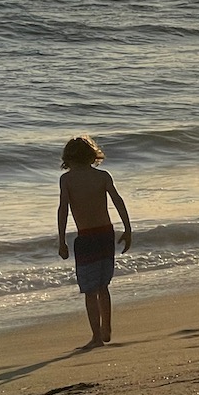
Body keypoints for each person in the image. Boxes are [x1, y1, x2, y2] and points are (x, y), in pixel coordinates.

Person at [56, 135, 132, 348]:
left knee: (90, 290)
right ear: (92, 156)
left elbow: (63, 210)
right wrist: (127, 229)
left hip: (87, 237)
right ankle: (106, 326)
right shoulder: (102, 176)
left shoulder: (67, 180)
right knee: (103, 287)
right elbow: (118, 201)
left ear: (68, 158)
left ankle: (97, 337)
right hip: (105, 234)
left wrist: (61, 240)